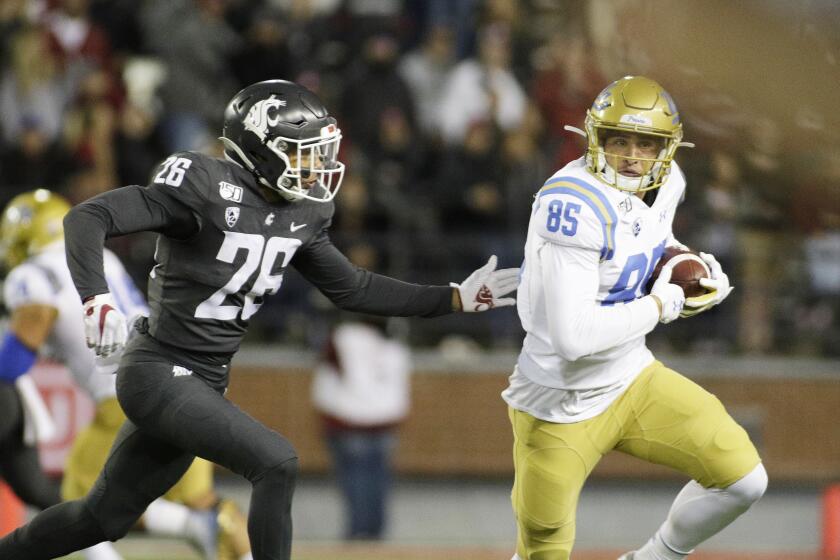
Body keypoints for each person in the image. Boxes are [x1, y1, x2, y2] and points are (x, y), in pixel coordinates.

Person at [0, 79, 519, 560]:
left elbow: (354, 288)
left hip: (202, 379)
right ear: (259, 148)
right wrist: (97, 298)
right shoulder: (202, 184)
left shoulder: (305, 213)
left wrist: (453, 298)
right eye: (301, 152)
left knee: (101, 518)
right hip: (158, 368)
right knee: (276, 462)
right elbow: (89, 216)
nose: (315, 167)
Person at [503, 76, 767, 560]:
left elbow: (650, 243)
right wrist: (664, 304)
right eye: (618, 140)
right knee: (543, 547)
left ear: (665, 148)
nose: (631, 155)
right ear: (593, 138)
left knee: (744, 479)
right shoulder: (570, 203)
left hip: (630, 377)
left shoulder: (669, 182)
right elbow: (573, 338)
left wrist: (690, 267)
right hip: (559, 400)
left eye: (646, 143)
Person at [0, 189, 253, 560]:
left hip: (130, 393)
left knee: (80, 499)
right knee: (201, 501)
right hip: (188, 380)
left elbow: (15, 360)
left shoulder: (34, 275)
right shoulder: (99, 258)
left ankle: (187, 527)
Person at [311, 314, 411, 540]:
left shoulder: (346, 336)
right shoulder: (396, 347)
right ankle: (375, 533)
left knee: (354, 480)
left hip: (349, 419)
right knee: (378, 480)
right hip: (385, 421)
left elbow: (326, 363)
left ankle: (358, 534)